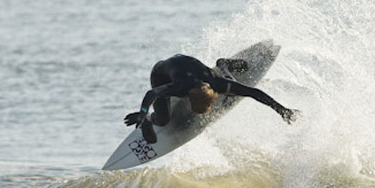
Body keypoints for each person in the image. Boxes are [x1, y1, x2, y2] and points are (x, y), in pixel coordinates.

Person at [124, 54, 297, 143]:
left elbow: (254, 92)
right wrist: (142, 113)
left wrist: (282, 110)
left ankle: (223, 65)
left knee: (234, 88)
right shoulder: (178, 88)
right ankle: (149, 121)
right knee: (163, 120)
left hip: (196, 70)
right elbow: (151, 94)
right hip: (162, 73)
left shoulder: (216, 84)